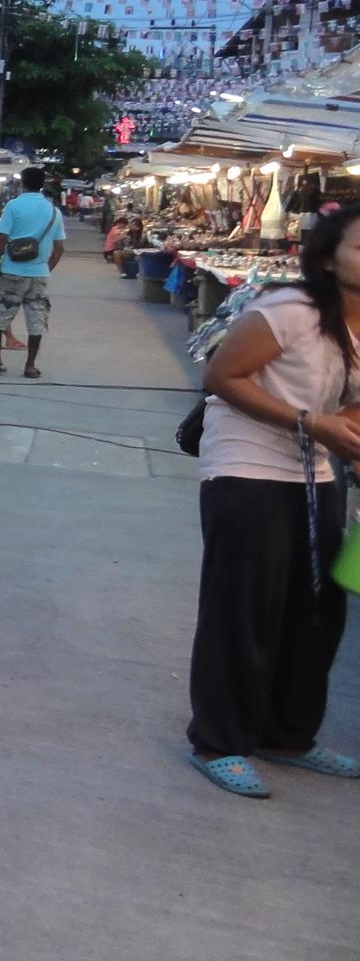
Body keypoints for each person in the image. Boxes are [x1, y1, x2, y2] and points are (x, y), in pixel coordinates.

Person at [187, 201, 360, 797]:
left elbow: (350, 407)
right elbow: (222, 378)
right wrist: (310, 422)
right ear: (330, 259)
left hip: (316, 474)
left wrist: (345, 438)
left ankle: (288, 735)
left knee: (317, 611)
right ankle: (218, 740)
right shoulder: (290, 310)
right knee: (244, 607)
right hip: (246, 467)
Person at [0, 166, 67, 379]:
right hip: (38, 274)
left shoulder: (14, 205)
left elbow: (1, 239)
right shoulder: (54, 211)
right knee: (36, 319)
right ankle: (30, 365)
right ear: (42, 184)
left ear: (22, 183)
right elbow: (59, 249)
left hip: (11, 271)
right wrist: (45, 269)